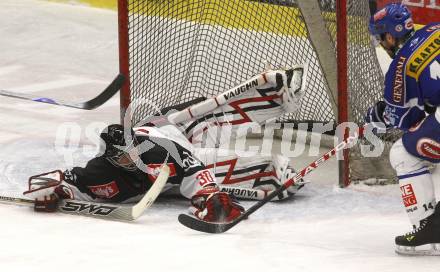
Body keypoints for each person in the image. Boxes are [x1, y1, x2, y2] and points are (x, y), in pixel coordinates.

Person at [23, 67, 307, 223]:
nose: (133, 158)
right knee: (282, 177)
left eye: (134, 151)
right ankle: (270, 174)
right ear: (111, 158)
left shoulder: (160, 151)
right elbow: (59, 182)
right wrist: (53, 193)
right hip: (173, 178)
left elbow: (197, 175)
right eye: (124, 157)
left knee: (204, 114)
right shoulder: (100, 172)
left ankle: (273, 91)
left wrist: (210, 198)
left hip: (170, 128)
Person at [367, 3, 440, 255]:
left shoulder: (400, 66)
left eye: (380, 38)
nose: (381, 44)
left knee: (404, 153)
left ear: (389, 35)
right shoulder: (435, 28)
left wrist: (378, 114)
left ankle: (431, 232)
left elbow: (404, 122)